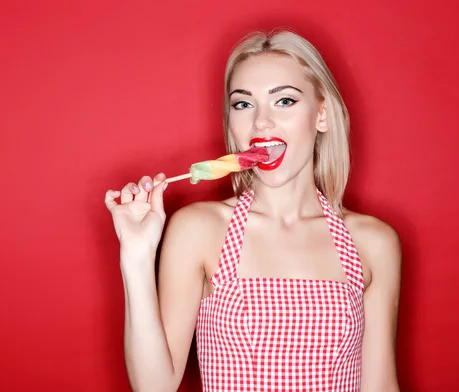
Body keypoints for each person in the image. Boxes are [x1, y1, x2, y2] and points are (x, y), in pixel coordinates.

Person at [104, 29, 401, 392]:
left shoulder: (373, 242)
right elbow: (154, 387)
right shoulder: (199, 229)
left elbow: (380, 386)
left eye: (285, 101)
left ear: (322, 115)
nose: (261, 122)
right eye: (243, 104)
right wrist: (136, 255)